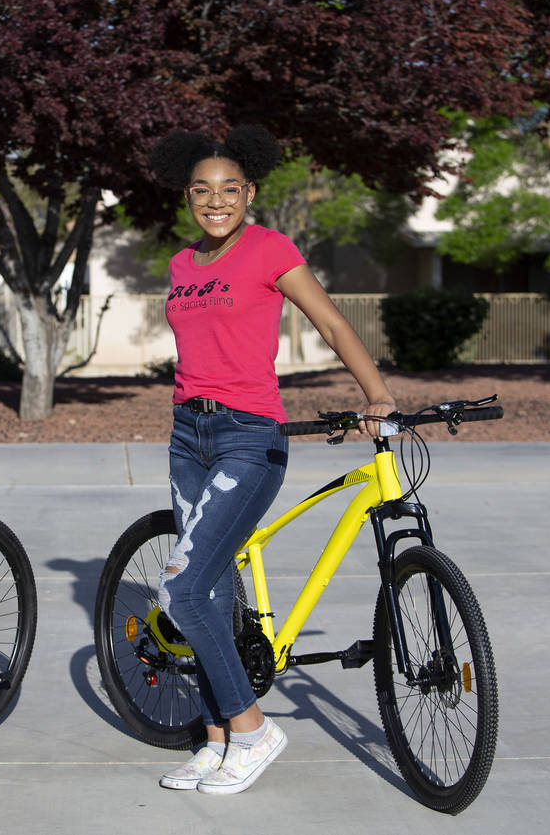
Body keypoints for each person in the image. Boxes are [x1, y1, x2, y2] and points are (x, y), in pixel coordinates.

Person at [149, 126, 397, 795]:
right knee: (211, 594)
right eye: (203, 190)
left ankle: (255, 729)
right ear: (188, 197)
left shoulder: (268, 247)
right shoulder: (180, 265)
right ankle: (215, 736)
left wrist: (376, 392)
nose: (216, 200)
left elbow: (332, 323)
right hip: (187, 437)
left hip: (248, 435)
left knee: (178, 587)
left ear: (250, 192)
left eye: (230, 188)